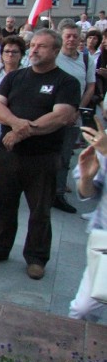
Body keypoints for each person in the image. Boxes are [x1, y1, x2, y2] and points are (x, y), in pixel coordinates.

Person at [0, 29, 78, 280]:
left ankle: (36, 257)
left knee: (40, 210)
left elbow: (61, 116)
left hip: (43, 157)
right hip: (8, 154)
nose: (34, 50)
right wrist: (17, 125)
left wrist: (23, 132)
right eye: (32, 45)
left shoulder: (66, 82)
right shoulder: (15, 77)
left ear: (55, 51)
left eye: (41, 46)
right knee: (4, 204)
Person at [54, 19, 96, 213]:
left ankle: (58, 193)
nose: (71, 39)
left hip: (72, 117)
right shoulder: (53, 56)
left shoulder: (86, 59)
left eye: (75, 36)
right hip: (50, 115)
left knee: (64, 157)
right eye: (67, 36)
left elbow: (90, 86)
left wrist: (77, 110)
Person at [0, 35, 27, 209]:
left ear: (21, 54)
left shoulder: (25, 74)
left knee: (4, 160)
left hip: (11, 123)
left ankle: (2, 194)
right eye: (6, 51)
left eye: (14, 52)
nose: (10, 55)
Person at [70, 122, 107, 320]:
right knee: (83, 309)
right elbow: (89, 193)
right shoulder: (104, 138)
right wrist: (86, 179)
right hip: (104, 243)